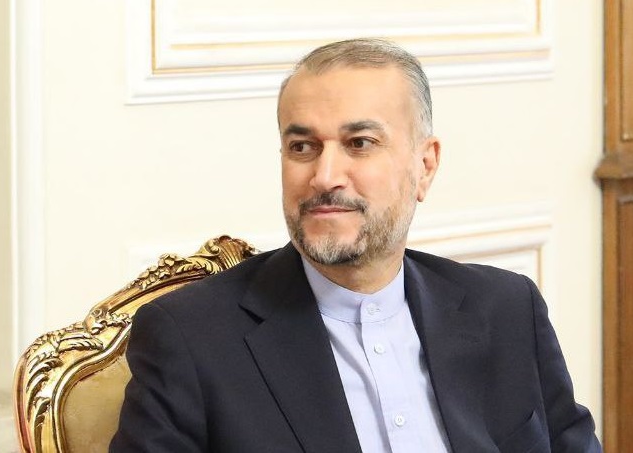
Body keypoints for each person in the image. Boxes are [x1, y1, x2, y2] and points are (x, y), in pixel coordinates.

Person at [111, 38, 601, 452]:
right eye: (302, 147)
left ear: (424, 166)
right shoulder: (190, 339)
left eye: (359, 143)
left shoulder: (508, 309)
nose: (325, 176)